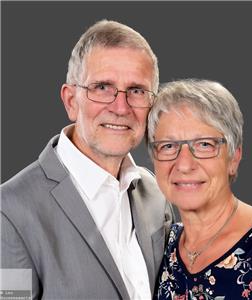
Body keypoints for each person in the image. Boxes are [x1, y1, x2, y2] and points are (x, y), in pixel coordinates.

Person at [1, 20, 176, 300]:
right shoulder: (9, 212)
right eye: (103, 87)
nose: (121, 107)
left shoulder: (155, 193)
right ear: (71, 101)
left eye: (137, 91)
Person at [147, 79, 252, 299]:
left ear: (234, 157)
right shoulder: (162, 247)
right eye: (168, 146)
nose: (184, 164)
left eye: (204, 145)